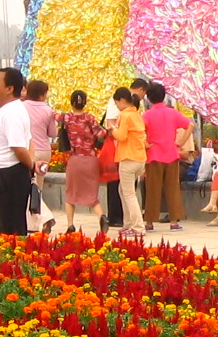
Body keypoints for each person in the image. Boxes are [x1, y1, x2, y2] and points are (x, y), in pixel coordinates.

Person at [0, 67, 35, 236]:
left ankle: (13, 252)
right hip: (5, 175)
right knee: (6, 224)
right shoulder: (10, 110)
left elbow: (19, 148)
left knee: (10, 228)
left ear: (9, 89)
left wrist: (32, 166)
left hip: (9, 176)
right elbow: (29, 141)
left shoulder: (12, 112)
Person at [140, 83, 190, 232]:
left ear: (149, 98)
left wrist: (145, 144)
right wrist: (180, 142)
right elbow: (190, 125)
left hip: (154, 154)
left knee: (152, 189)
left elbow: (139, 132)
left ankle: (150, 222)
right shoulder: (173, 113)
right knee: (173, 188)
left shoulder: (147, 115)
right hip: (172, 154)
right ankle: (174, 221)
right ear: (164, 96)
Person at [56, 90, 104, 233]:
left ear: (71, 102)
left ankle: (70, 225)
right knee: (92, 194)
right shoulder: (90, 118)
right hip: (91, 160)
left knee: (71, 193)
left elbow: (53, 115)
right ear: (85, 103)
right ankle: (102, 216)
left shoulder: (66, 117)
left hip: (75, 159)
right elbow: (101, 133)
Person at [110, 87, 147, 240]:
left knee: (129, 194)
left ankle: (137, 227)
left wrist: (113, 129)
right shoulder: (136, 114)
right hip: (140, 158)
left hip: (128, 158)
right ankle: (128, 224)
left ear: (122, 100)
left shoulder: (124, 115)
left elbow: (121, 136)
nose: (117, 106)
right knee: (124, 190)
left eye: (117, 103)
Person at [22, 79, 59, 233]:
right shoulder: (48, 110)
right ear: (43, 94)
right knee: (38, 186)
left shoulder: (22, 107)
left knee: (27, 186)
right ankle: (38, 221)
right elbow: (53, 133)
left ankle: (41, 218)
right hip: (44, 151)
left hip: (28, 150)